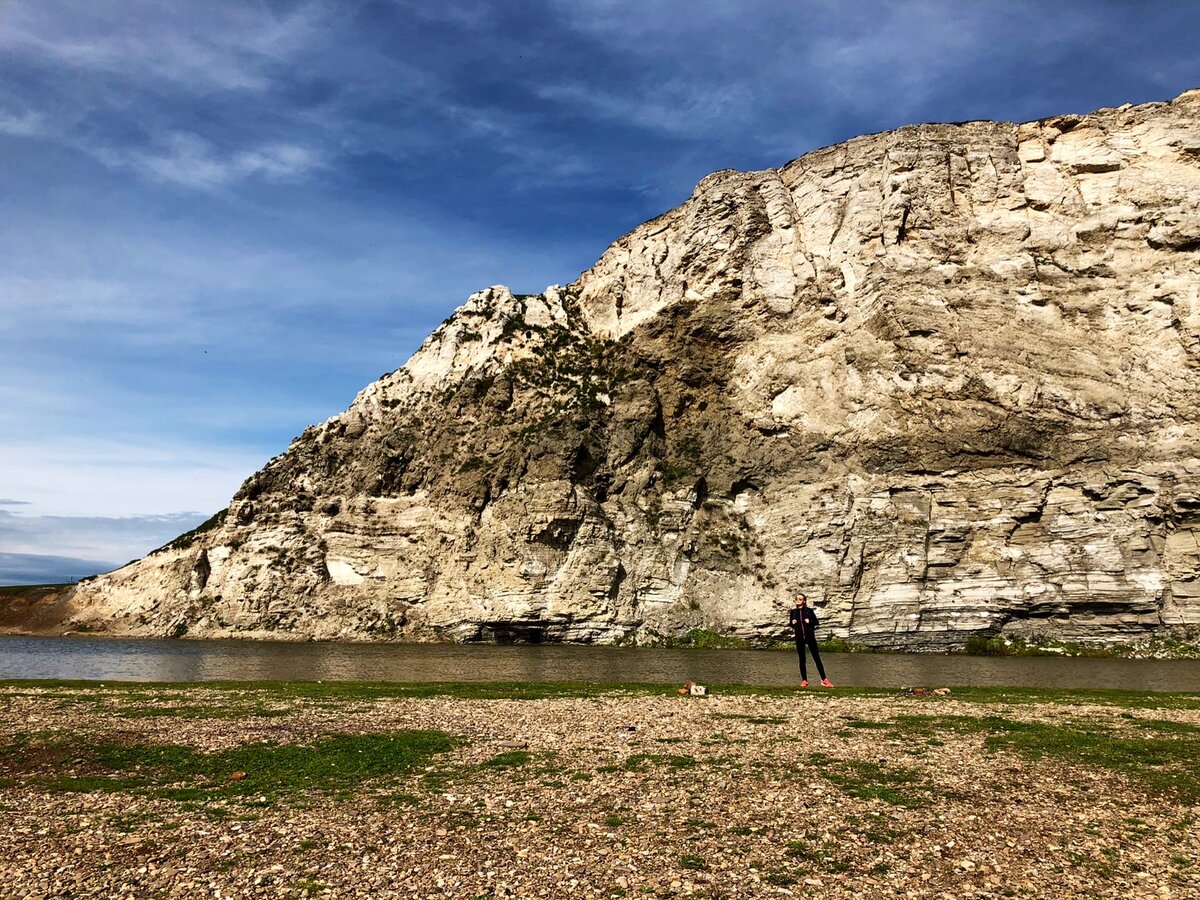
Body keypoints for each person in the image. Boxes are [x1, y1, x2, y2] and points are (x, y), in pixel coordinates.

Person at [789, 593, 832, 687]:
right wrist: (793, 623)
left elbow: (816, 622)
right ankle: (804, 680)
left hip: (810, 637)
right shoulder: (793, 612)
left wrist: (809, 622)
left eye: (800, 599)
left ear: (804, 601)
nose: (798, 600)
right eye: (797, 599)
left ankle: (824, 679)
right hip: (799, 638)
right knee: (802, 659)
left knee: (817, 658)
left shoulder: (809, 611)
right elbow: (791, 625)